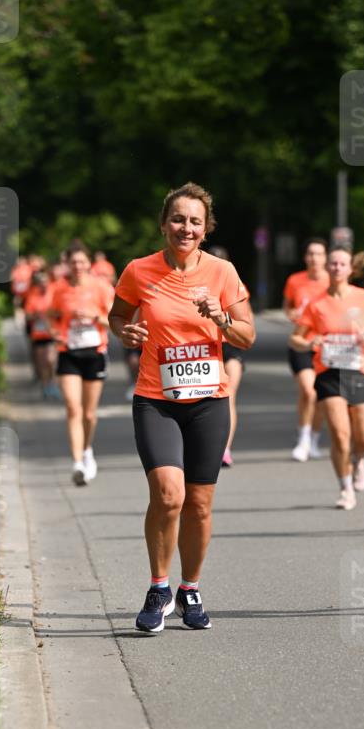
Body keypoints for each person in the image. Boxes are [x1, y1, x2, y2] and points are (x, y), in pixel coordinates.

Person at [109, 182, 254, 633]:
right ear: (163, 224)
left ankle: (190, 588)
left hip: (209, 402)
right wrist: (124, 332)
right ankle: (158, 588)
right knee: (169, 494)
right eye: (177, 219)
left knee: (199, 504)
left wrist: (221, 318)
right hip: (157, 400)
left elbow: (247, 335)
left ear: (205, 229)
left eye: (194, 221)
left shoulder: (222, 272)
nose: (185, 228)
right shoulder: (139, 270)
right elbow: (118, 315)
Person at [290, 246, 364, 509]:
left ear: (351, 269)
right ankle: (345, 488)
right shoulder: (316, 303)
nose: (337, 267)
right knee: (340, 435)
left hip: (361, 371)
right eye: (333, 263)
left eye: (342, 264)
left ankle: (358, 460)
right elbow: (295, 339)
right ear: (327, 267)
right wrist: (310, 342)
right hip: (329, 373)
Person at [49, 245, 114, 485]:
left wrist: (95, 317)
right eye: (73, 262)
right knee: (72, 408)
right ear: (67, 264)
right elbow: (51, 315)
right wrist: (55, 332)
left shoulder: (101, 287)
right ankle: (77, 463)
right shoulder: (59, 289)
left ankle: (87, 451)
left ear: (89, 263)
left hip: (95, 352)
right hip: (68, 352)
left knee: (88, 413)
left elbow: (115, 321)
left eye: (82, 262)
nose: (77, 266)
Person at [283, 238, 330, 460]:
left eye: (319, 254)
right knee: (308, 391)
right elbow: (288, 305)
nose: (314, 258)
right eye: (310, 254)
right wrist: (290, 313)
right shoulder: (295, 280)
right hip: (301, 343)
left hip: (326, 346)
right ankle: (303, 439)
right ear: (305, 257)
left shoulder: (332, 280)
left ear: (325, 257)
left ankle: (314, 438)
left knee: (320, 395)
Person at [208, 245, 252, 467]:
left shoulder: (234, 283)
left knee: (229, 397)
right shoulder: (197, 285)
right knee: (208, 398)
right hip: (207, 346)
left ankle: (225, 449)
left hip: (230, 345)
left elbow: (247, 321)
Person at [23, 270, 58, 399]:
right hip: (38, 334)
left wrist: (51, 315)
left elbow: (59, 311)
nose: (43, 284)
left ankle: (52, 383)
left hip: (52, 333)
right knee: (42, 363)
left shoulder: (53, 294)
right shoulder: (32, 297)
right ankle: (45, 385)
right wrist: (35, 316)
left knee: (51, 360)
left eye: (45, 282)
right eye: (40, 282)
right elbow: (27, 316)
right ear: (37, 284)